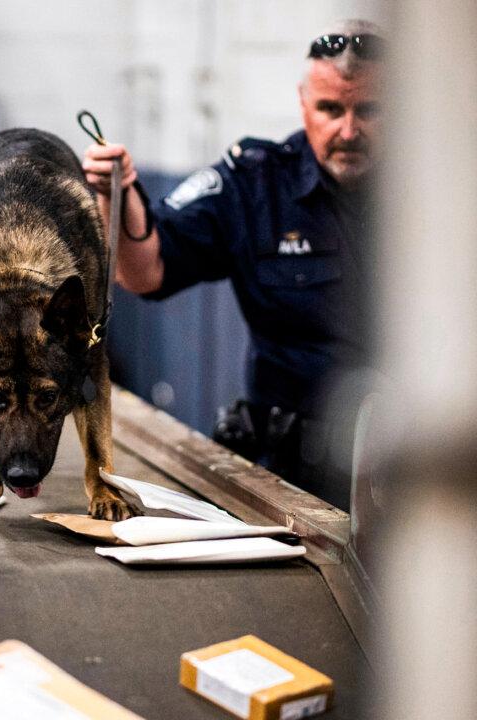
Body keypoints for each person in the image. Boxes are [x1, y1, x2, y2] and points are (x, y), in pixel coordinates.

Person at [81, 19, 384, 510]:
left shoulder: (443, 189)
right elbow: (145, 271)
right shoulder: (254, 184)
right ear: (304, 104)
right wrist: (116, 192)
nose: (348, 131)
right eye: (330, 109)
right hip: (294, 483)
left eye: (368, 111)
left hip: (416, 480)